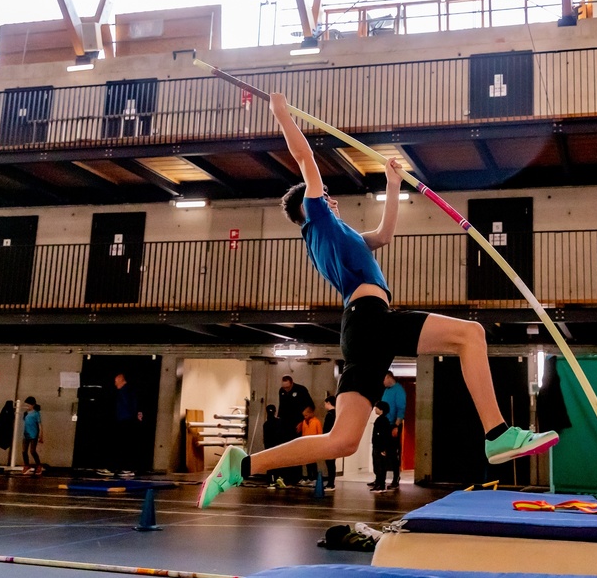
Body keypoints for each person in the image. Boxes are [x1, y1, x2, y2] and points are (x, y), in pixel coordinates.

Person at [198, 92, 558, 508]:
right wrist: (281, 113)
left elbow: (383, 236)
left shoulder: (341, 236)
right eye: (323, 194)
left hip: (362, 331)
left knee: (343, 440)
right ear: (308, 207)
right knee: (471, 334)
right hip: (370, 318)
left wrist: (390, 183)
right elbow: (305, 161)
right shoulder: (318, 221)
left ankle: (243, 466)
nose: (329, 196)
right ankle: (496, 435)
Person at [276, 375, 313, 485]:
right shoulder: (281, 391)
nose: (286, 389)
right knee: (285, 449)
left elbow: (310, 407)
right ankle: (286, 476)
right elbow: (281, 407)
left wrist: (302, 422)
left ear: (292, 383)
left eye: (287, 387)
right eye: (284, 387)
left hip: (297, 424)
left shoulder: (301, 390)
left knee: (296, 450)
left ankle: (297, 476)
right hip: (285, 424)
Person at [113, 373, 143, 478]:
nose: (115, 383)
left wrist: (135, 415)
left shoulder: (127, 391)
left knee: (126, 444)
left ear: (122, 380)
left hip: (127, 420)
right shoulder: (122, 392)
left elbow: (132, 405)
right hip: (122, 419)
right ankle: (120, 466)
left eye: (117, 381)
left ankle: (128, 467)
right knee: (121, 445)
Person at [381, 372, 405, 489]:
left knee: (392, 453)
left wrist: (396, 426)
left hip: (393, 424)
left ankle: (396, 478)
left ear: (388, 377)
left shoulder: (398, 390)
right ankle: (380, 478)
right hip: (385, 424)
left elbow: (401, 409)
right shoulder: (387, 390)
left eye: (383, 379)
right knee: (382, 452)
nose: (382, 383)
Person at [370, 401, 392, 492]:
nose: (375, 409)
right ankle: (379, 484)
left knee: (380, 466)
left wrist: (383, 448)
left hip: (379, 447)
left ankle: (380, 485)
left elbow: (384, 435)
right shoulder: (382, 420)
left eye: (377, 408)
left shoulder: (382, 420)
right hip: (378, 446)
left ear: (381, 410)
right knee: (378, 466)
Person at [298, 405, 323, 485]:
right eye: (304, 416)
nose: (305, 417)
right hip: (306, 444)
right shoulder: (304, 422)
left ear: (311, 413)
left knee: (313, 462)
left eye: (306, 415)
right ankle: (309, 477)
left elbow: (319, 434)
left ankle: (314, 477)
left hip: (313, 445)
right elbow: (303, 433)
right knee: (307, 462)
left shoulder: (316, 422)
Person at [21, 396, 43, 476]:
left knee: (32, 451)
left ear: (33, 405)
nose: (26, 407)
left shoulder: (36, 413)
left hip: (34, 434)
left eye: (28, 405)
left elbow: (40, 425)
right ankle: (26, 465)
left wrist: (41, 435)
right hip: (26, 434)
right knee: (24, 451)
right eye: (25, 405)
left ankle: (38, 465)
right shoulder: (25, 413)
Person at [261, 404, 282, 488]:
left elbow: (265, 438)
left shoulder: (266, 424)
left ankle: (270, 479)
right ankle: (277, 478)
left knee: (269, 463)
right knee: (276, 463)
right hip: (276, 445)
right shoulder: (278, 422)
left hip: (269, 445)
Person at [322, 394, 337, 491]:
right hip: (334, 441)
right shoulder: (337, 414)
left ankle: (331, 483)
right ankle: (331, 482)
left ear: (328, 403)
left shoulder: (330, 415)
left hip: (329, 441)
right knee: (332, 463)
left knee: (330, 463)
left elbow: (326, 429)